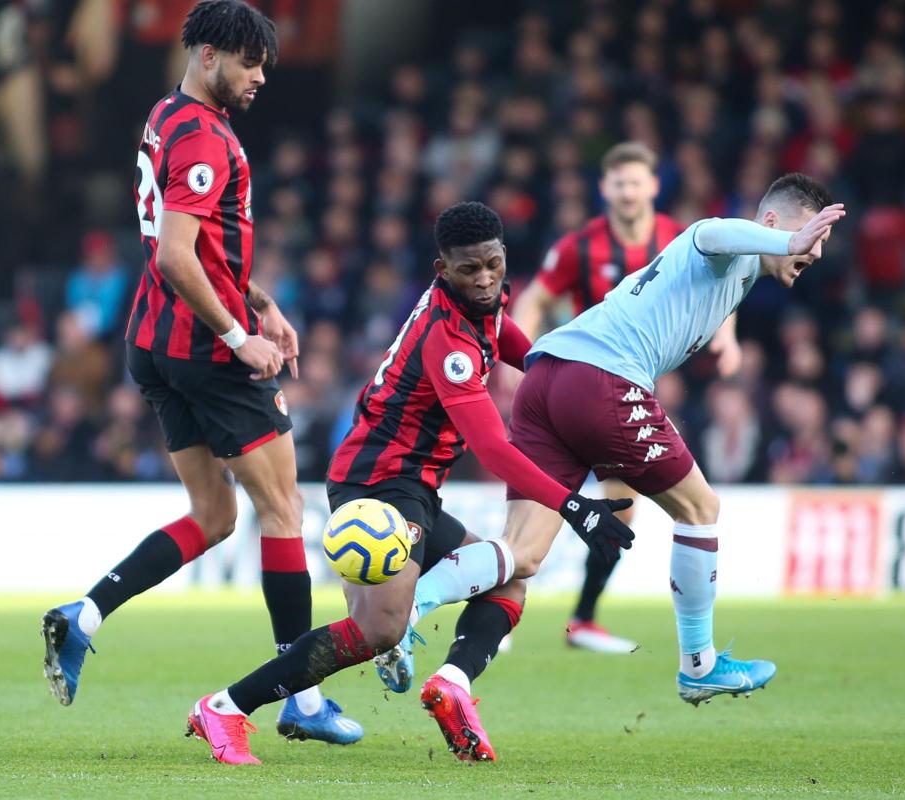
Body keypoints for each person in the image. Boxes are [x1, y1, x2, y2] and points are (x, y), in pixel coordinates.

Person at [406, 174, 844, 760]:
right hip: (601, 380)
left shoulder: (740, 272)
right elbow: (710, 232)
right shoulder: (723, 242)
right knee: (700, 508)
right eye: (806, 237)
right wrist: (787, 245)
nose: (813, 252)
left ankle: (408, 613)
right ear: (769, 226)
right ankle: (699, 664)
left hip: (547, 377)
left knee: (523, 553)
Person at [186, 201, 635, 765]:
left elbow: (544, 362)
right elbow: (495, 447)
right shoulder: (448, 338)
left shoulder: (485, 307)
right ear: (442, 271)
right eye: (470, 269)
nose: (486, 277)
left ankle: (452, 684)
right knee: (379, 629)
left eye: (493, 263)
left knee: (511, 577)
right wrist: (574, 505)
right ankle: (224, 708)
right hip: (379, 484)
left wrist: (603, 389)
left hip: (414, 486)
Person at [40, 0, 361, 746]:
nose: (259, 79)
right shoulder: (207, 142)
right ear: (210, 56)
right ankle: (301, 695)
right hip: (205, 350)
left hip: (154, 343)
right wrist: (239, 335)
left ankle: (83, 615)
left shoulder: (166, 117)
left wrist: (262, 301)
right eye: (250, 63)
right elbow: (175, 255)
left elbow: (201, 247)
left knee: (216, 516)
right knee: (284, 512)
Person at [510, 141, 699, 653]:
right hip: (576, 387)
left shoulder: (676, 241)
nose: (628, 191)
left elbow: (714, 288)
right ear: (605, 190)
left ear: (654, 187)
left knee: (622, 507)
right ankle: (497, 611)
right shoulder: (580, 246)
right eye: (619, 183)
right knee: (536, 506)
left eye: (637, 181)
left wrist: (723, 338)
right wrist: (520, 361)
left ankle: (583, 621)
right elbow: (534, 298)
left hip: (626, 391)